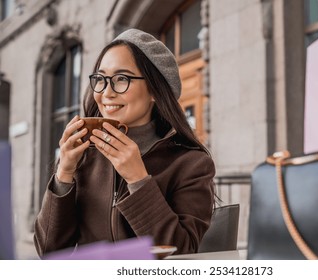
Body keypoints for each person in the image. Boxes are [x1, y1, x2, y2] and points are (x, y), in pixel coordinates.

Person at [34, 29, 216, 258]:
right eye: (100, 79)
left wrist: (138, 179)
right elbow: (49, 253)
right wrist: (64, 173)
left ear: (154, 91)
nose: (106, 93)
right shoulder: (83, 156)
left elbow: (180, 255)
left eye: (122, 79)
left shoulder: (192, 164)